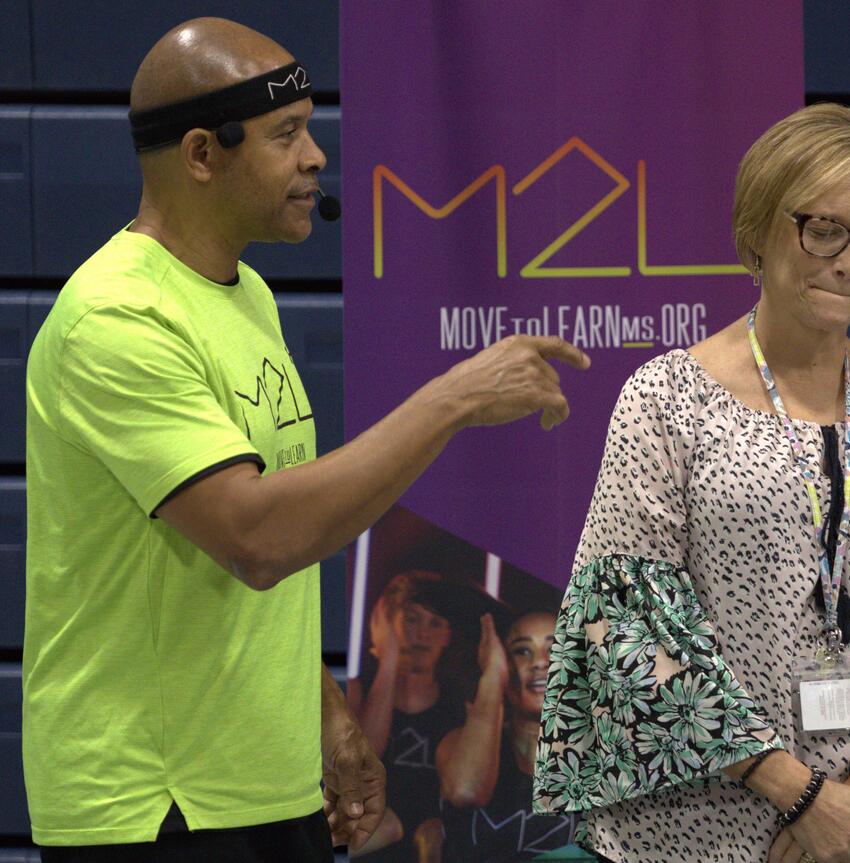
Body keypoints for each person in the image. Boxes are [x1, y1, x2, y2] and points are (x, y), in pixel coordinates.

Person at [22, 17, 589, 863]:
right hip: (156, 804)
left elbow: (263, 546)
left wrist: (328, 716)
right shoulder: (117, 319)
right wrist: (454, 399)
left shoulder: (244, 293)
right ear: (202, 154)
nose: (316, 156)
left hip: (263, 783)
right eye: (286, 134)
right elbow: (257, 538)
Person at [533, 103, 850, 863]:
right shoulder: (667, 399)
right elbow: (623, 623)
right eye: (824, 229)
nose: (849, 262)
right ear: (759, 227)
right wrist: (799, 794)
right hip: (702, 823)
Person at [438, 609, 581, 862]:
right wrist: (493, 675)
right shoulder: (457, 742)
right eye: (522, 651)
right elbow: (466, 791)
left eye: (555, 648)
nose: (540, 662)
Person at [350, 572, 468, 862]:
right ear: (388, 623)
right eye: (412, 619)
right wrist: (388, 660)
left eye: (435, 623)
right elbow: (362, 762)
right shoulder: (356, 690)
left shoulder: (460, 707)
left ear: (448, 635)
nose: (423, 634)